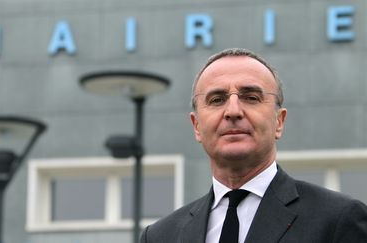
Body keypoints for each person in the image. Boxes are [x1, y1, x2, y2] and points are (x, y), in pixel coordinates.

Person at [140, 48, 367, 243]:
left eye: (251, 97)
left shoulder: (338, 219)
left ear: (279, 121)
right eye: (217, 99)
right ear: (196, 126)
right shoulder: (161, 236)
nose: (233, 111)